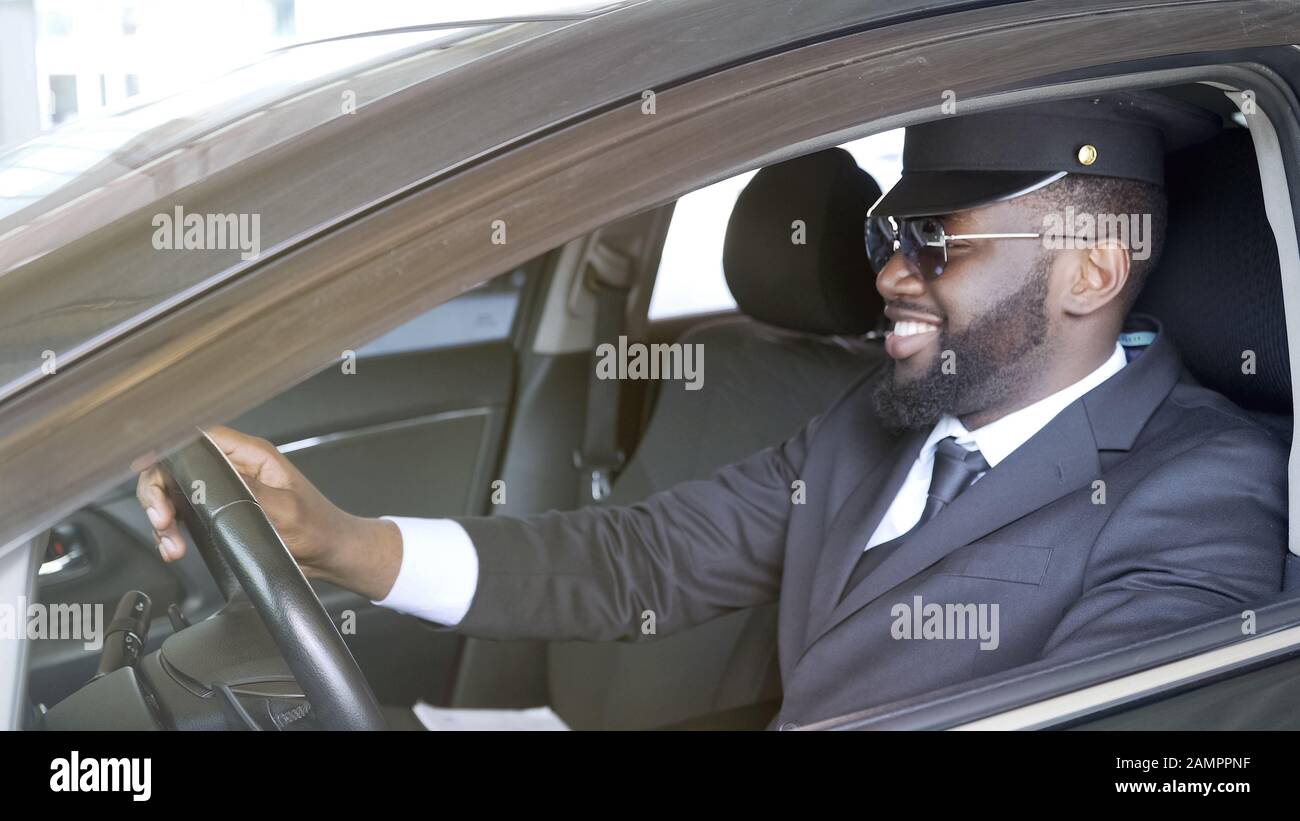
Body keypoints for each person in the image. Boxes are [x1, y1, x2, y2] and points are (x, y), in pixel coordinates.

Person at [136, 92, 1289, 728]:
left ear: (1091, 270)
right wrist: (342, 542)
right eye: (889, 235)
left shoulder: (1204, 493)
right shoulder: (872, 422)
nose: (889, 271)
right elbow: (642, 561)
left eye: (934, 242)